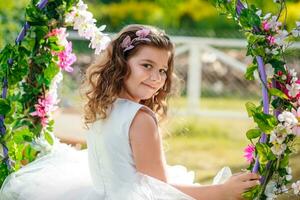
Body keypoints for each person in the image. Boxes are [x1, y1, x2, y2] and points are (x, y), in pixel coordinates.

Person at [0, 24, 260, 200]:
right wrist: (221, 191)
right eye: (146, 65)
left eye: (162, 70)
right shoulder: (140, 117)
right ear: (122, 65)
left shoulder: (104, 107)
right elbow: (158, 190)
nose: (157, 78)